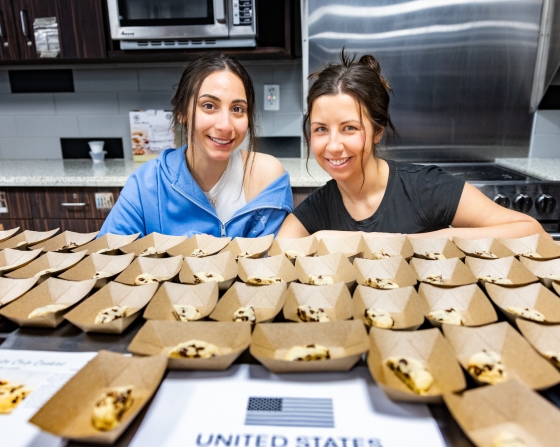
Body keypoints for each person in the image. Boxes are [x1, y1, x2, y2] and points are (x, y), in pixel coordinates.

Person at [278, 51, 549, 240]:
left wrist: (432, 239)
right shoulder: (317, 208)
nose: (333, 146)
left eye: (350, 128)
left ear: (377, 132)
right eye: (321, 129)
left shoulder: (424, 189)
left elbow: (532, 231)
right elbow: (279, 255)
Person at [100, 52, 292, 238]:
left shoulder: (267, 178)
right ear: (182, 112)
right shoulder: (147, 185)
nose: (225, 125)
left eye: (237, 109)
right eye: (209, 106)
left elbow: (270, 264)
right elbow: (108, 258)